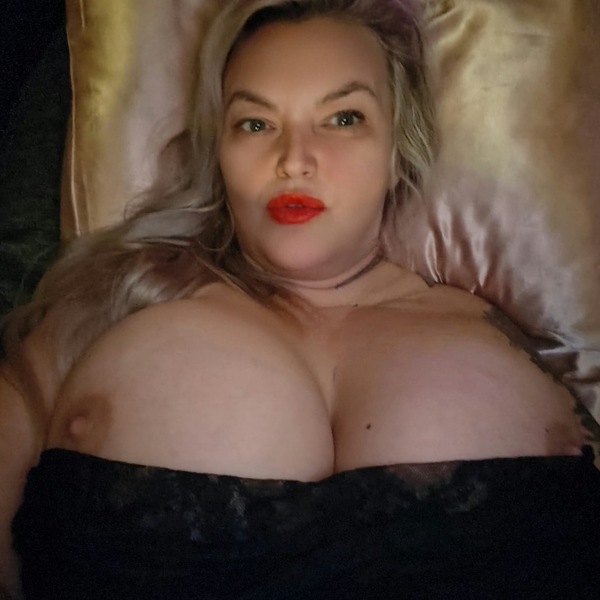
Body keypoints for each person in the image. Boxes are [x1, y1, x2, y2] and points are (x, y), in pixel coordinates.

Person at [1, 0, 599, 598]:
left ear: (397, 152)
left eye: (343, 118)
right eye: (255, 124)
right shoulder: (104, 305)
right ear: (219, 154)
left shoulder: (499, 331)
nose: (293, 160)